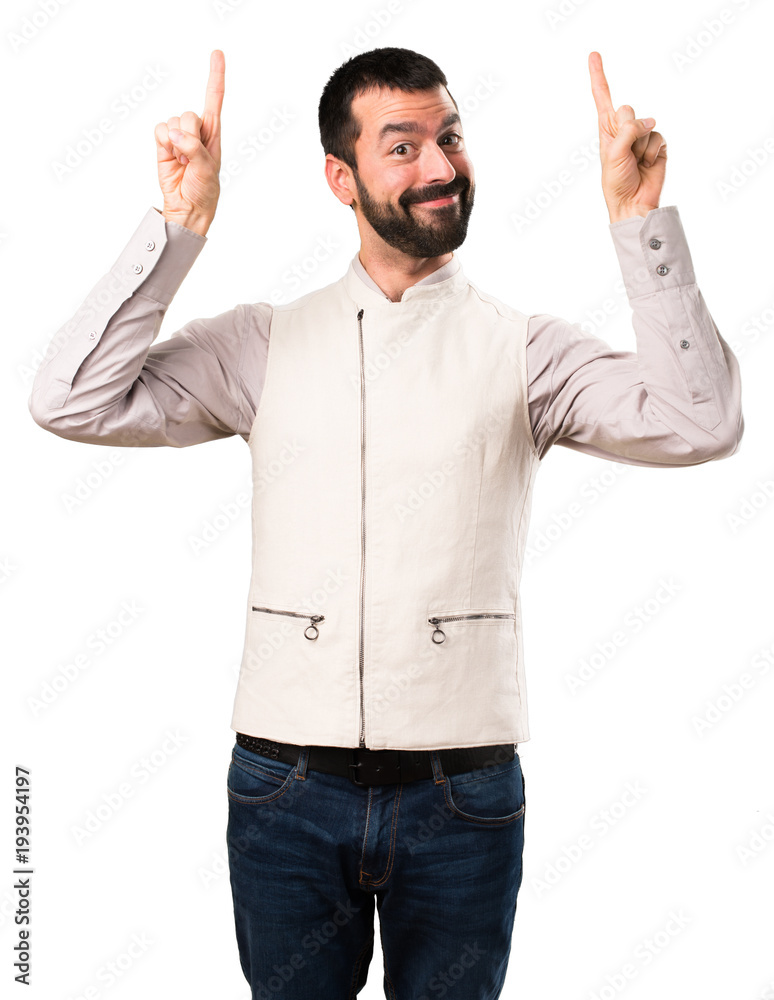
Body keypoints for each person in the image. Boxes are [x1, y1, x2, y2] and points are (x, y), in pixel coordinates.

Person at [28, 45, 743, 1000]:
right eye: (401, 146)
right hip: (284, 790)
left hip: (464, 794)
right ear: (342, 175)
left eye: (450, 137)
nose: (440, 166)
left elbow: (702, 422)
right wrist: (176, 229)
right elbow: (69, 399)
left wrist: (640, 222)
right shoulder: (262, 342)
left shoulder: (526, 349)